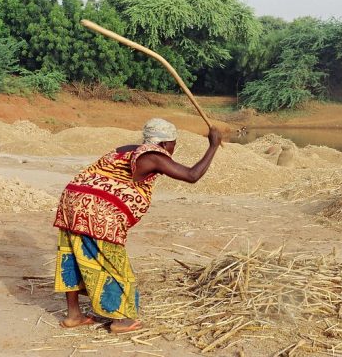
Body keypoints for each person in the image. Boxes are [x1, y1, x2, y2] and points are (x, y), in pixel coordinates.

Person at [53, 118, 221, 333]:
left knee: (74, 256)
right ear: (164, 144)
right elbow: (192, 175)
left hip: (73, 200)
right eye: (173, 145)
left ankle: (74, 316)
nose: (172, 150)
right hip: (98, 210)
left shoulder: (126, 149)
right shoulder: (153, 155)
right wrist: (213, 145)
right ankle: (121, 321)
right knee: (113, 264)